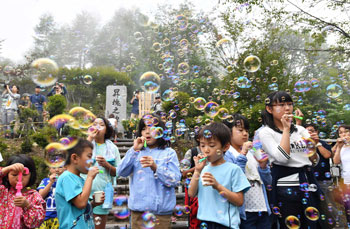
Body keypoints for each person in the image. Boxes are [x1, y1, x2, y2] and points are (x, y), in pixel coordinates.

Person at [259, 91, 321, 229]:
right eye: (281, 104)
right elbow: (282, 157)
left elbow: (313, 160)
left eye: (290, 104)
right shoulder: (266, 132)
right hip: (285, 187)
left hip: (307, 182)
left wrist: (314, 147)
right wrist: (286, 130)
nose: (287, 108)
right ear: (269, 109)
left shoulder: (300, 130)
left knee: (311, 224)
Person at [117, 114, 181, 228]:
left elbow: (175, 180)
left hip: (161, 215)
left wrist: (156, 168)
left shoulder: (169, 153)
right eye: (143, 128)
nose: (147, 132)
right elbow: (121, 171)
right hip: (138, 213)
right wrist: (134, 150)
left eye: (151, 128)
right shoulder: (136, 152)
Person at [188, 122, 251, 228]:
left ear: (225, 146)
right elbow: (191, 193)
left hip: (225, 224)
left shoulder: (233, 169)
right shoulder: (203, 169)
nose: (206, 150)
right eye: (202, 145)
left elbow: (239, 201)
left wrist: (217, 186)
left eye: (212, 145)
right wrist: (197, 171)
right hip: (204, 222)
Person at [223, 114, 272, 229]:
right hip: (244, 212)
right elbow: (234, 180)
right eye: (240, 130)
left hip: (262, 208)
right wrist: (243, 153)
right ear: (228, 133)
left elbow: (268, 182)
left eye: (246, 130)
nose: (245, 134)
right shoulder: (227, 155)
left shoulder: (253, 152)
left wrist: (263, 167)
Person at [56, 139, 105, 229]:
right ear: (75, 158)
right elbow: (81, 203)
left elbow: (82, 208)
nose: (92, 161)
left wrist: (93, 203)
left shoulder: (78, 179)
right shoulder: (66, 177)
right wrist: (90, 177)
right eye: (89, 156)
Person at [86, 117, 121, 229]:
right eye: (94, 124)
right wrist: (90, 138)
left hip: (101, 195)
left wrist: (107, 165)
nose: (97, 127)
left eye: (101, 124)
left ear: (107, 129)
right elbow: (77, 160)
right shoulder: (86, 145)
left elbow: (118, 172)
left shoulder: (113, 148)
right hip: (83, 193)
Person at [0, 154, 46, 228]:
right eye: (14, 175)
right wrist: (5, 170)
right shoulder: (3, 191)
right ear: (7, 176)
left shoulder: (34, 196)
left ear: (31, 176)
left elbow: (36, 223)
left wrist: (27, 206)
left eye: (24, 175)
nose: (19, 179)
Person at [181, 132, 202, 229]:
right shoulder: (192, 152)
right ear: (198, 139)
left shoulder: (214, 154)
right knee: (193, 217)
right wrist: (197, 168)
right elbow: (183, 173)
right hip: (193, 191)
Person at [333, 124, 350, 224]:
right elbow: (336, 161)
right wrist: (339, 147)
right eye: (341, 132)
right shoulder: (341, 147)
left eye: (346, 131)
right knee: (348, 210)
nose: (344, 134)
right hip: (346, 183)